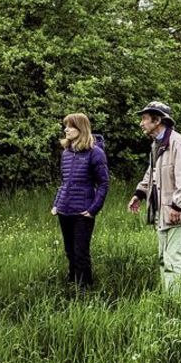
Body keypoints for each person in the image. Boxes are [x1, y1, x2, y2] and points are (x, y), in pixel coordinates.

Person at [127, 101, 181, 292]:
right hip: (161, 209)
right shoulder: (157, 144)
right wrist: (139, 194)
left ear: (158, 120)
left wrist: (177, 206)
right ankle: (170, 296)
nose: (141, 123)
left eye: (144, 119)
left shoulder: (176, 142)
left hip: (175, 210)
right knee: (163, 257)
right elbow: (151, 173)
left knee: (173, 258)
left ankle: (176, 303)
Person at [51, 113, 109, 287]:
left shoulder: (96, 153)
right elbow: (65, 182)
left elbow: (104, 184)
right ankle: (72, 285)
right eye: (66, 126)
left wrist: (93, 209)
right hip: (64, 210)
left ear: (81, 129)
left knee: (80, 252)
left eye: (70, 126)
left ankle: (84, 291)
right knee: (69, 251)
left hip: (82, 212)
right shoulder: (66, 153)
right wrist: (56, 203)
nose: (66, 129)